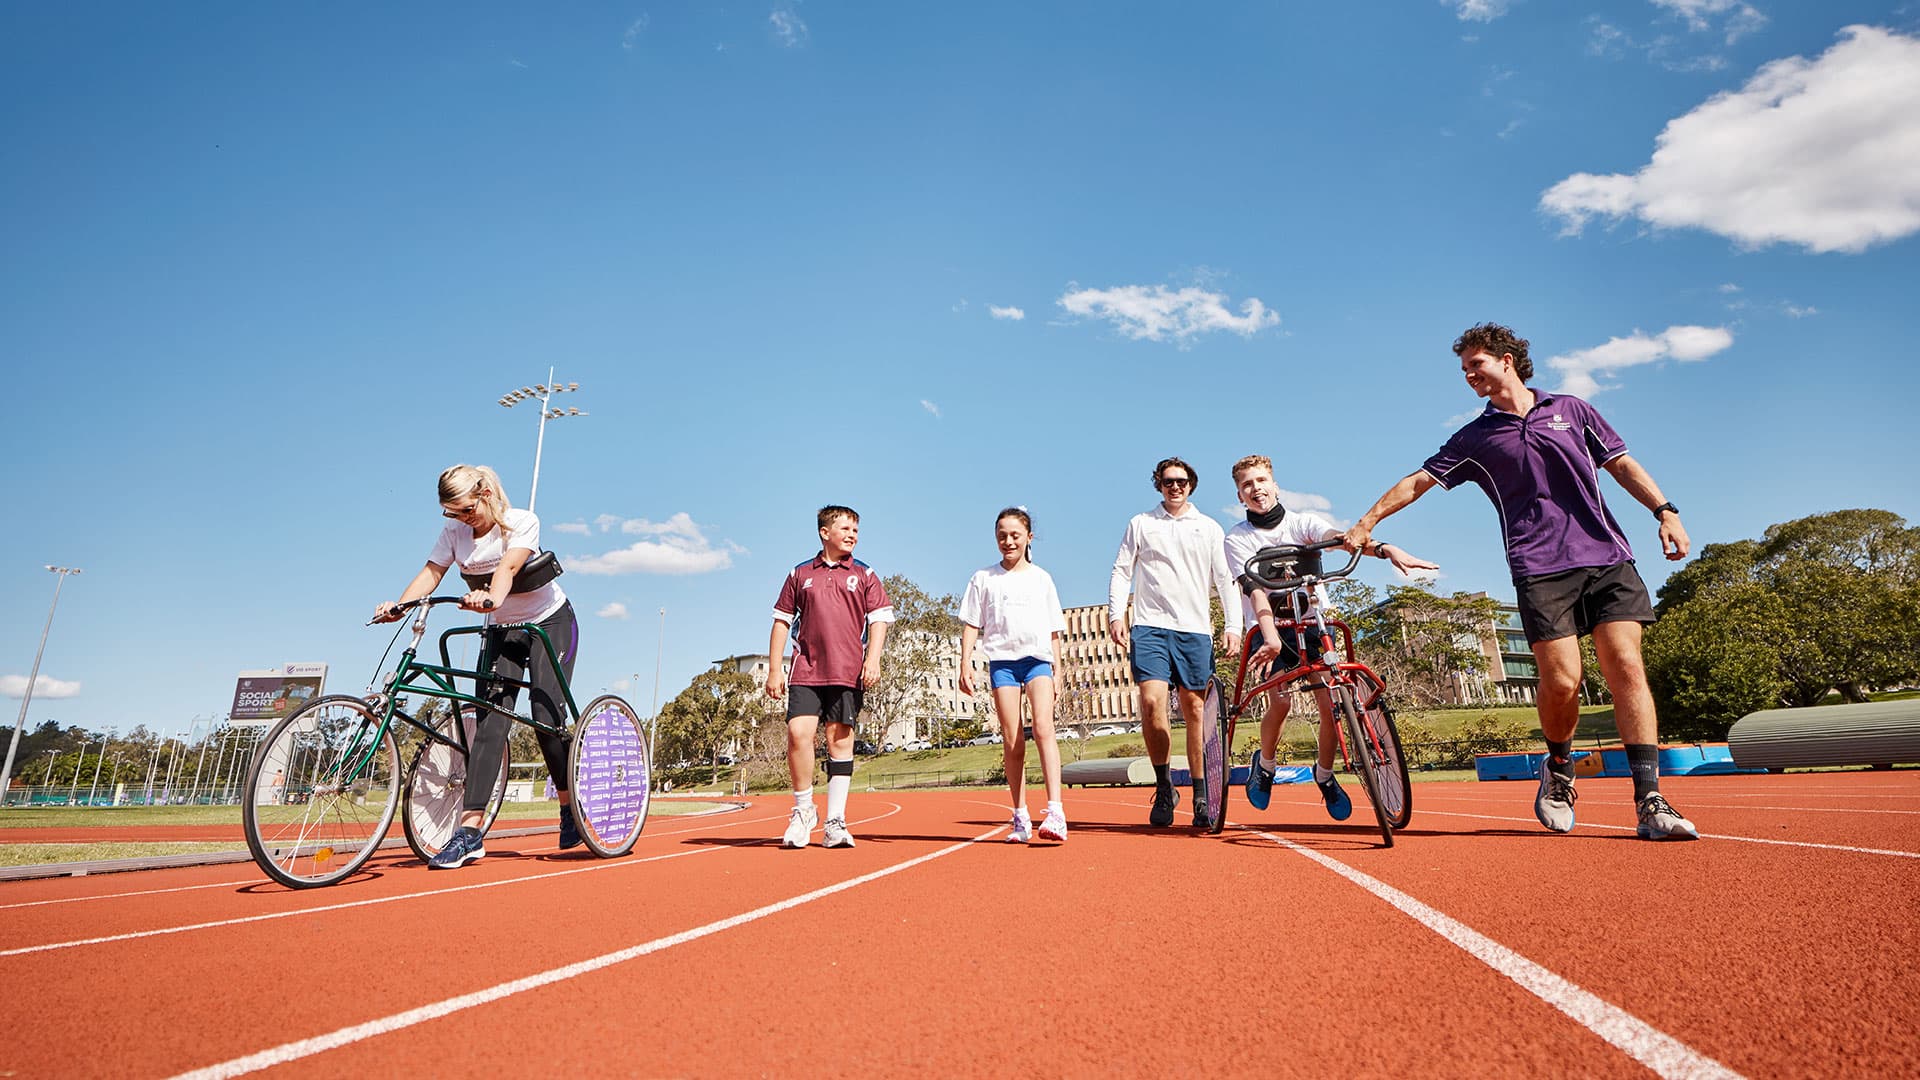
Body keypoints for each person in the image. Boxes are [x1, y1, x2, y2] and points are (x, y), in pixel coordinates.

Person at [1345, 323, 1699, 841]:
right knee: (1562, 682)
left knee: (1625, 664)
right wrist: (1367, 522)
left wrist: (1665, 511)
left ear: (1506, 359)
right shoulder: (1476, 437)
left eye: (1476, 364)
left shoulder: (1572, 410)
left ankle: (1651, 801)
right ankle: (1558, 767)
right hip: (1539, 568)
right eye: (1464, 369)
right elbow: (1417, 481)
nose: (1469, 376)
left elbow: (1620, 464)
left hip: (1607, 557)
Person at [373, 464, 581, 868]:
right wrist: (399, 605)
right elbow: (432, 573)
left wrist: (491, 599)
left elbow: (507, 568)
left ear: (485, 493)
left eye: (465, 510)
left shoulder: (521, 521)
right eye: (451, 512)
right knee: (489, 723)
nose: (461, 519)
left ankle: (569, 804)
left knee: (544, 716)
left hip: (549, 623)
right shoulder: (454, 533)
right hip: (501, 629)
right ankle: (469, 832)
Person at [1222, 455, 1438, 821]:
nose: (1256, 488)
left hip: (1311, 623)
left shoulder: (1303, 522)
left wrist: (1385, 550)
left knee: (1331, 704)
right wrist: (1271, 637)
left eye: (1261, 480)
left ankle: (1324, 775)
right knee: (1281, 702)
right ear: (1240, 495)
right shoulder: (1237, 539)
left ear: (1275, 484)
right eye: (1247, 485)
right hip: (1270, 627)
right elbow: (1256, 592)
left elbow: (1340, 541)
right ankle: (1267, 764)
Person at [1109, 457, 1240, 829]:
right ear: (1159, 485)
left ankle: (1200, 793)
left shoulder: (1209, 528)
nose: (1175, 487)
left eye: (1181, 481)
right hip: (1149, 626)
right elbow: (1122, 571)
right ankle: (1165, 787)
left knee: (1195, 710)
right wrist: (1117, 614)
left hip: (1194, 630)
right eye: (1168, 481)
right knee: (1151, 702)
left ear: (1191, 485)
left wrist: (1233, 625)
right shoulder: (1141, 524)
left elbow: (1225, 578)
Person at [765, 506, 894, 849]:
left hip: (847, 671)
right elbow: (781, 620)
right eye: (845, 528)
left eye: (856, 530)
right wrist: (775, 668)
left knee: (840, 741)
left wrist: (873, 660)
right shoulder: (800, 573)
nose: (852, 535)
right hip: (806, 669)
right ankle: (804, 810)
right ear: (825, 532)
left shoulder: (865, 574)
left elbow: (879, 619)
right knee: (798, 734)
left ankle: (835, 820)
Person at [958, 507, 1071, 843]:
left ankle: (1055, 811)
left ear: (1028, 538)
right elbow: (971, 625)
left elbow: (1054, 631)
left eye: (1015, 535)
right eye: (1002, 535)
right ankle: (1020, 815)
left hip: (1038, 660)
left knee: (1043, 727)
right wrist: (965, 662)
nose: (1008, 541)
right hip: (1003, 663)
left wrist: (1059, 670)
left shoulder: (1042, 579)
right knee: (1012, 738)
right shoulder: (983, 578)